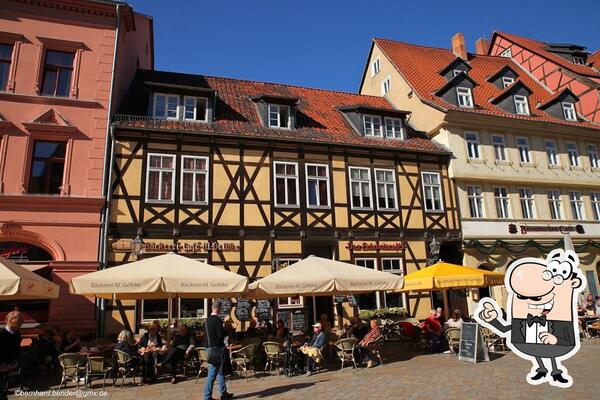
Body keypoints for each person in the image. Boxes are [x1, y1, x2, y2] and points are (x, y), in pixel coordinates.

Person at [204, 301, 233, 400]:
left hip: (209, 348)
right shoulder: (218, 320)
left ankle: (223, 393)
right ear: (219, 308)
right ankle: (207, 397)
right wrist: (226, 330)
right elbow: (220, 336)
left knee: (220, 372)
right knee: (212, 374)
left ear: (212, 307)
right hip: (216, 349)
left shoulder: (207, 320)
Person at [0, 311, 23, 400]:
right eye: (20, 319)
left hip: (7, 369)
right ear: (11, 320)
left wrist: (15, 362)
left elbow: (17, 350)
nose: (23, 321)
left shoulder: (17, 335)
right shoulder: (1, 334)